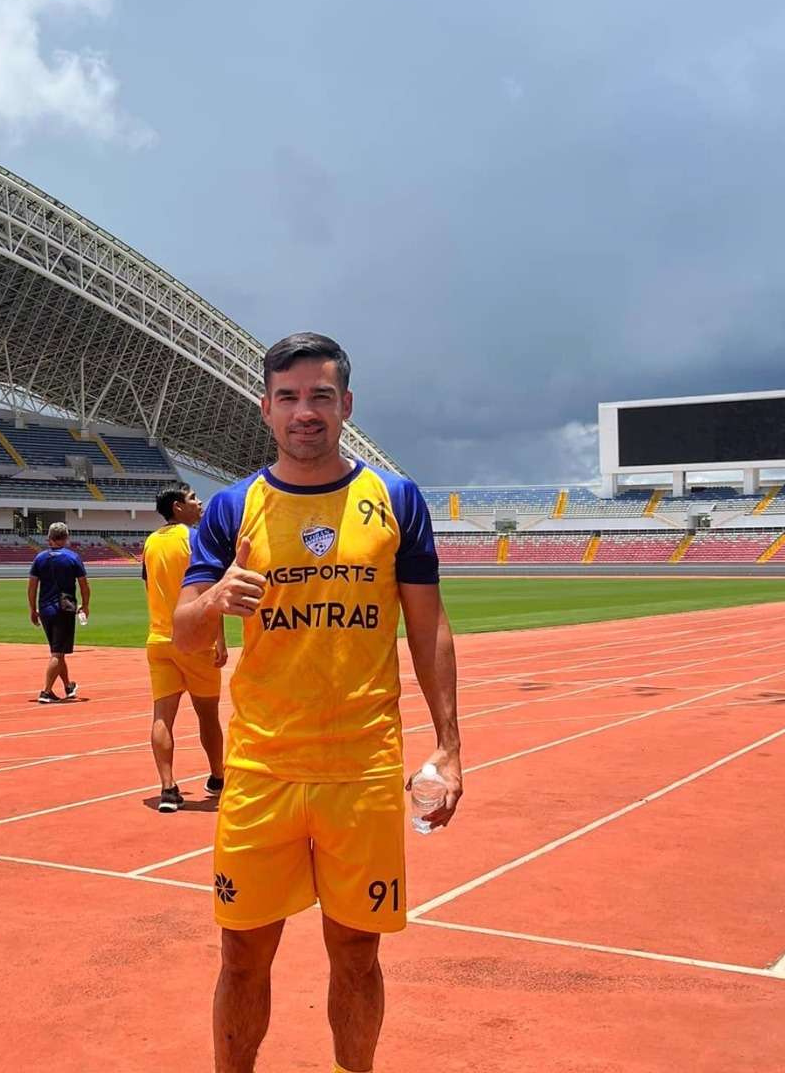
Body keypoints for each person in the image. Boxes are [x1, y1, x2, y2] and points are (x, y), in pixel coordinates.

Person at [174, 332, 464, 1073]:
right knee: (241, 953)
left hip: (361, 769)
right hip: (264, 766)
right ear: (266, 408)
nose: (306, 412)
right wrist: (213, 602)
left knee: (358, 954)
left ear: (346, 406)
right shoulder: (232, 508)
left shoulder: (395, 500)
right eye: (290, 398)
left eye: (321, 397)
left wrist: (449, 748)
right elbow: (181, 627)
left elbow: (427, 627)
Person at [142, 482, 227, 813]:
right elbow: (211, 591)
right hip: (194, 639)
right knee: (208, 713)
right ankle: (218, 777)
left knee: (162, 715)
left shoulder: (150, 543)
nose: (199, 502)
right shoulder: (194, 538)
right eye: (192, 498)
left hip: (159, 639)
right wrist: (218, 637)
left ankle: (167, 788)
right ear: (178, 507)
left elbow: (149, 585)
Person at [28, 522, 90, 704]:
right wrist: (86, 605)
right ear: (66, 537)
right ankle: (46, 691)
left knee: (58, 650)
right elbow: (84, 585)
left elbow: (32, 587)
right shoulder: (72, 557)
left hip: (45, 607)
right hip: (65, 606)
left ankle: (68, 685)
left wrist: (32, 609)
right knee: (57, 652)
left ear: (49, 537)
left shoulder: (39, 558)